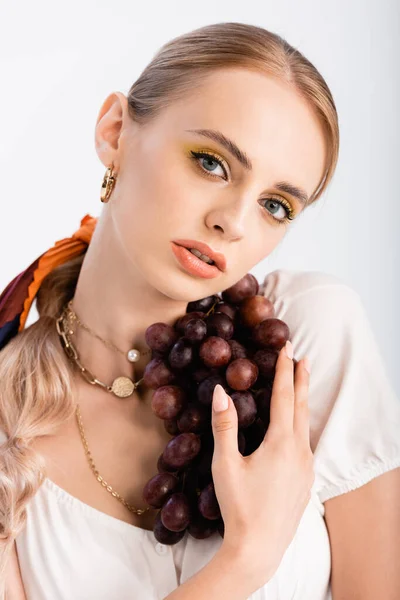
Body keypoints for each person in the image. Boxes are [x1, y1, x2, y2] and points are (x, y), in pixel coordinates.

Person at [1, 21, 399, 600]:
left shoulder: (306, 339)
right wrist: (246, 559)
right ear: (116, 132)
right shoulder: (9, 422)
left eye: (275, 205)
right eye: (211, 163)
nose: (234, 222)